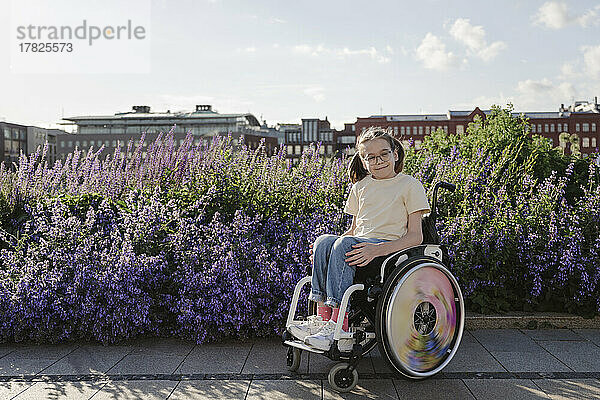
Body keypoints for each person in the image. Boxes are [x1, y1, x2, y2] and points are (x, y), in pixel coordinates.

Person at [287, 126, 431, 351]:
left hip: (388, 250)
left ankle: (339, 325)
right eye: (371, 157)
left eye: (384, 154)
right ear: (364, 161)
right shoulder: (360, 187)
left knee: (342, 244)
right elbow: (353, 230)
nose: (379, 160)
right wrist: (323, 251)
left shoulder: (409, 185)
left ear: (395, 154)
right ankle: (322, 320)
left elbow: (415, 237)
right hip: (359, 244)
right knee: (324, 241)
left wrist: (376, 250)